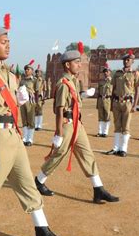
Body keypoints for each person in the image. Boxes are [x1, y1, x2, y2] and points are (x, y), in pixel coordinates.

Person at [0, 15, 71, 236]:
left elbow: (10, 107)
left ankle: (42, 231)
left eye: (9, 42)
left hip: (14, 135)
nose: (8, 45)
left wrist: (20, 101)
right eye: (3, 42)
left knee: (27, 184)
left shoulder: (11, 75)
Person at [34, 46, 119, 204]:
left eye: (80, 62)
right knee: (58, 154)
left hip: (77, 124)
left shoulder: (73, 82)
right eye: (76, 62)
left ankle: (98, 189)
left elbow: (72, 101)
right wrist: (58, 133)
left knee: (87, 154)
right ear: (67, 65)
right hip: (67, 124)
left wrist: (83, 95)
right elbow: (59, 109)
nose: (79, 65)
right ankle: (39, 181)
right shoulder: (63, 83)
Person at [106, 50, 139, 157]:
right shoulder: (117, 73)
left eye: (128, 60)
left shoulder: (135, 73)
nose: (126, 61)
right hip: (116, 102)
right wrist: (111, 103)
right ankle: (116, 148)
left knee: (126, 126)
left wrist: (135, 105)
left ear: (132, 61)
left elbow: (138, 89)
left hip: (128, 102)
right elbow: (113, 88)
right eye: (125, 60)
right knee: (117, 125)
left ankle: (123, 149)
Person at [18, 60, 36, 146]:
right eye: (25, 69)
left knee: (30, 120)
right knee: (24, 119)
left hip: (30, 101)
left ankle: (30, 138)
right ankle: (24, 137)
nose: (26, 71)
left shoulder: (34, 80)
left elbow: (38, 90)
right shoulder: (22, 80)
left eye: (28, 69)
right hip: (22, 102)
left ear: (32, 70)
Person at [96, 63, 112, 137]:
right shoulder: (101, 82)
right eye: (104, 71)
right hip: (100, 100)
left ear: (110, 72)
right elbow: (98, 92)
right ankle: (100, 131)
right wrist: (97, 103)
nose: (106, 73)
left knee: (107, 116)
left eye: (107, 71)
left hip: (108, 100)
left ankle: (105, 132)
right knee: (101, 116)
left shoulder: (112, 82)